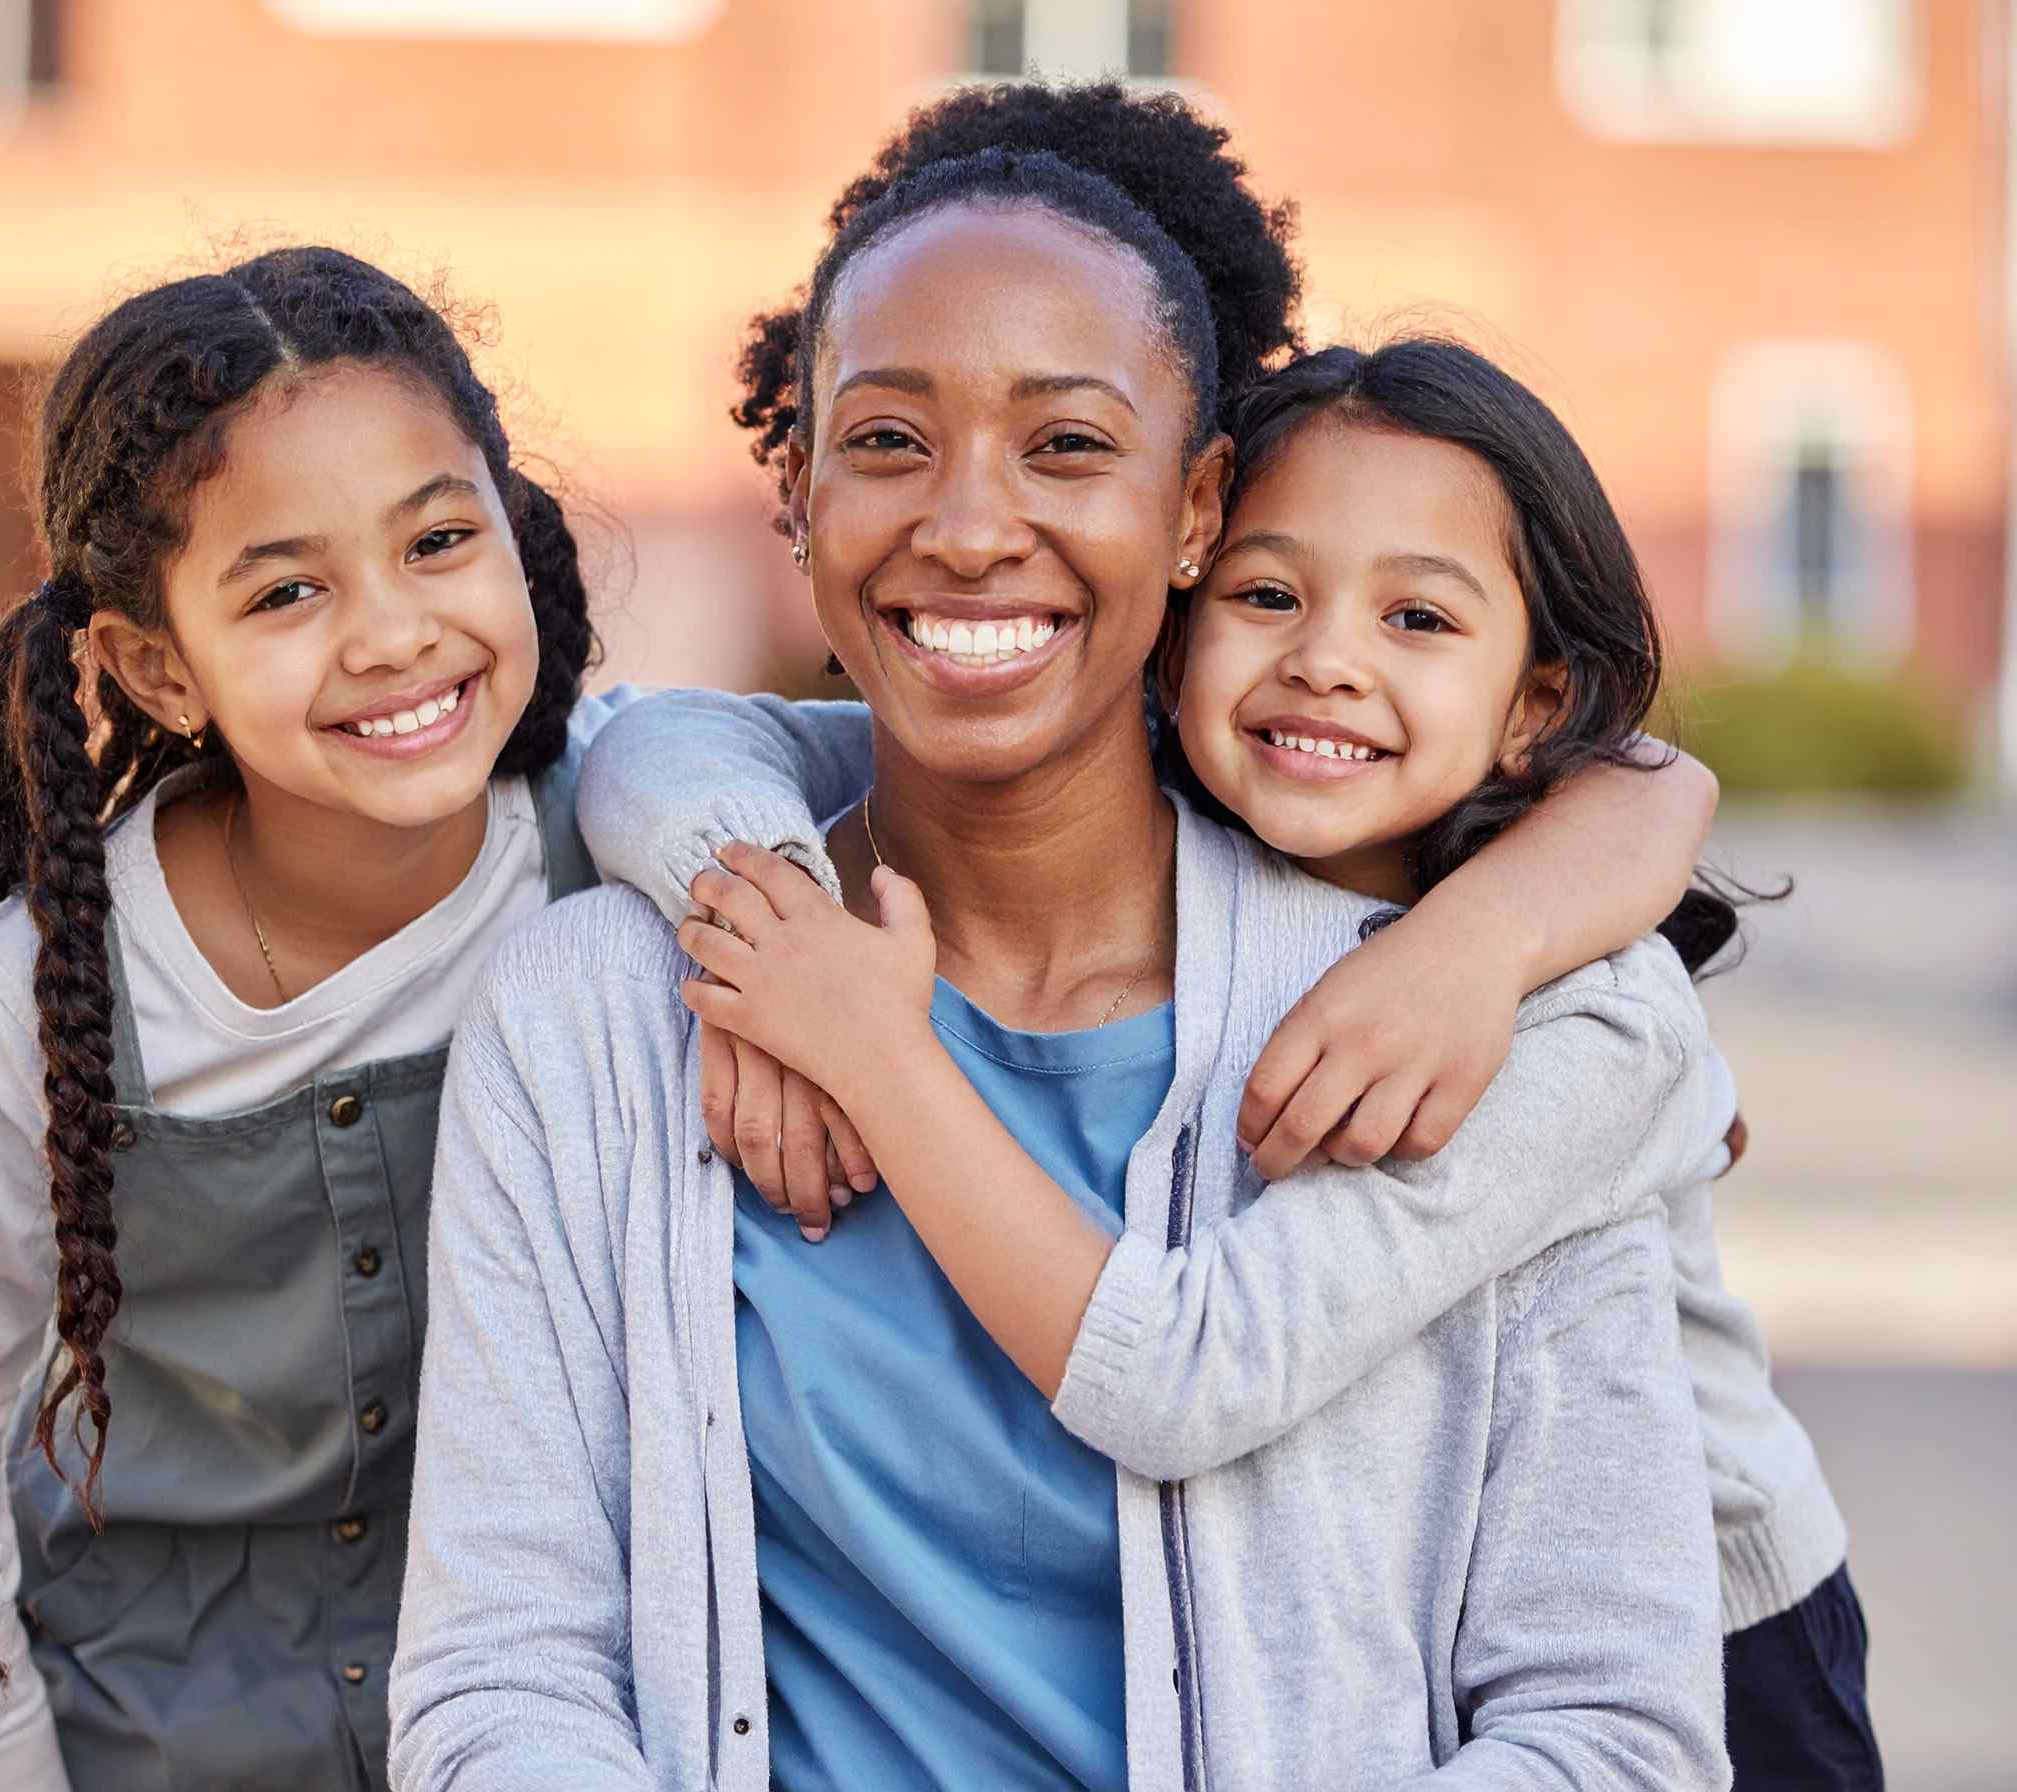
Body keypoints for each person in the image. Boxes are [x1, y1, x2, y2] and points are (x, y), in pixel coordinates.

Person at [393, 142, 1729, 1788]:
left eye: (1068, 446)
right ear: (794, 500)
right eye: (886, 441)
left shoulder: (1477, 1026)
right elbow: (501, 1682)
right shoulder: (592, 1018)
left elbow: (1613, 1737)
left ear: (1194, 511)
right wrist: (757, 911)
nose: (967, 526)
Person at [672, 338, 1876, 1790]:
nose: (1328, 657)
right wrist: (763, 904)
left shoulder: (1584, 1027)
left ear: (1536, 702)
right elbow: (659, 747)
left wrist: (870, 1050)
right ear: (1179, 609)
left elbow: (1190, 1372)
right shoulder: (1192, 862)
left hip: (1722, 1645)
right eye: (1267, 595)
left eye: (1419, 616)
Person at [0, 246, 857, 1791]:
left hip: (557, 1729)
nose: (390, 634)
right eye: (289, 588)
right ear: (157, 666)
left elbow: (1015, 771)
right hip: (148, 1748)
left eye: (439, 540)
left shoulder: (616, 832)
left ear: (516, 535)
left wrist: (1371, 942)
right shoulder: (51, 993)